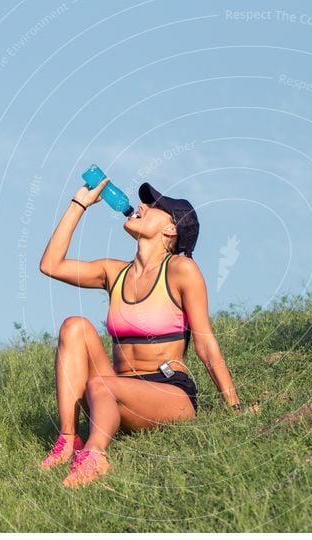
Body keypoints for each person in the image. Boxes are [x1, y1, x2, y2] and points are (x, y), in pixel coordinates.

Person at [38, 177, 257, 488]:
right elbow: (50, 264)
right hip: (117, 393)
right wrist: (80, 205)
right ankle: (68, 440)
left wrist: (235, 407)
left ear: (171, 230)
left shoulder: (182, 270)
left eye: (154, 207)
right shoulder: (114, 272)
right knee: (75, 326)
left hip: (168, 393)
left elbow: (205, 343)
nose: (141, 206)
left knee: (102, 386)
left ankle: (95, 455)